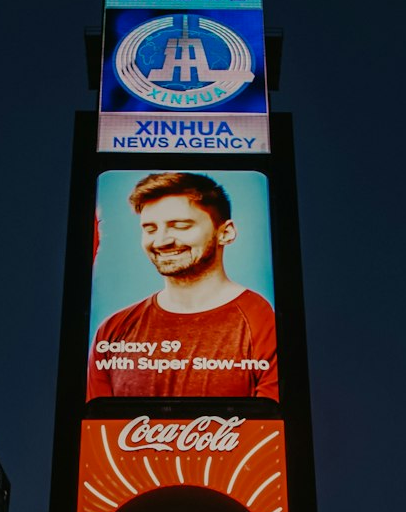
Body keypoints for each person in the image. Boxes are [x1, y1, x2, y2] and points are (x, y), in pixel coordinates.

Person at [87, 171, 278, 400]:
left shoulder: (262, 322)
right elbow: (95, 429)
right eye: (150, 229)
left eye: (180, 226)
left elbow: (269, 430)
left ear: (225, 232)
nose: (161, 241)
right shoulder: (112, 330)